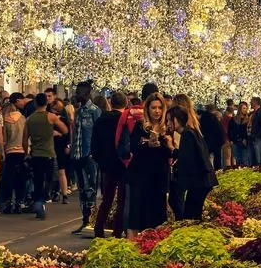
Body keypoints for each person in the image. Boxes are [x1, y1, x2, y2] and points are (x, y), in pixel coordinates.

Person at [127, 94, 172, 231]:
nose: (157, 111)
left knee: (157, 214)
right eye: (153, 108)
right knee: (137, 213)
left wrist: (162, 144)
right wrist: (148, 145)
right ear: (148, 109)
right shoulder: (140, 126)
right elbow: (133, 147)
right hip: (141, 174)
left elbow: (171, 152)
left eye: (159, 108)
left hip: (159, 176)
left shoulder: (168, 127)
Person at [166, 105, 218, 220]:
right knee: (192, 213)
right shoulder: (191, 131)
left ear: (178, 119)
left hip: (199, 182)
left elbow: (186, 159)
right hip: (202, 181)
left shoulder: (187, 134)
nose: (168, 123)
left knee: (191, 216)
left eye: (170, 119)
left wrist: (171, 149)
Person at [23, 92, 68, 221]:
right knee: (47, 180)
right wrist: (53, 132)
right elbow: (65, 130)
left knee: (37, 180)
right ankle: (42, 200)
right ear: (46, 103)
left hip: (36, 154)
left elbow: (25, 139)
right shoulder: (51, 117)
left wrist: (26, 152)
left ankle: (38, 202)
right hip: (49, 153)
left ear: (36, 103)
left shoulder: (29, 119)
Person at [91, 91, 127, 238]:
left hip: (106, 164)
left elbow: (94, 143)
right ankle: (117, 231)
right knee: (122, 199)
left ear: (111, 103)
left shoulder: (101, 120)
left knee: (107, 198)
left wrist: (100, 160)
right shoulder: (124, 120)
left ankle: (98, 229)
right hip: (122, 163)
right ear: (125, 104)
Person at [67, 82, 100, 234]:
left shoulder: (94, 111)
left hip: (89, 156)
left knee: (91, 189)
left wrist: (95, 152)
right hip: (77, 156)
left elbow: (98, 134)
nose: (76, 94)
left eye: (79, 92)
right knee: (82, 189)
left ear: (86, 93)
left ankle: (92, 221)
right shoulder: (78, 112)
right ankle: (85, 219)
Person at [0, 100, 27, 215]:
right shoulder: (23, 119)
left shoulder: (5, 120)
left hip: (10, 151)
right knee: (20, 179)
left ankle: (8, 203)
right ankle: (19, 202)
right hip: (22, 151)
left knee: (8, 179)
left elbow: (3, 139)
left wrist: (2, 152)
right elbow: (26, 136)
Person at [200, 104, 226, 172]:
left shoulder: (203, 118)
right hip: (216, 142)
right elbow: (219, 130)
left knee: (208, 158)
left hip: (207, 141)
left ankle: (209, 171)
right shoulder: (213, 118)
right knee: (217, 158)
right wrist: (222, 140)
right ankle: (217, 171)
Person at [228, 101, 251, 166]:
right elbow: (230, 130)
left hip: (244, 142)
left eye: (246, 108)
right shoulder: (233, 119)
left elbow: (248, 131)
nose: (245, 110)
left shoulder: (248, 119)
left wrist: (245, 139)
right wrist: (231, 140)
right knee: (238, 160)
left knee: (245, 160)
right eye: (243, 108)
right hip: (235, 141)